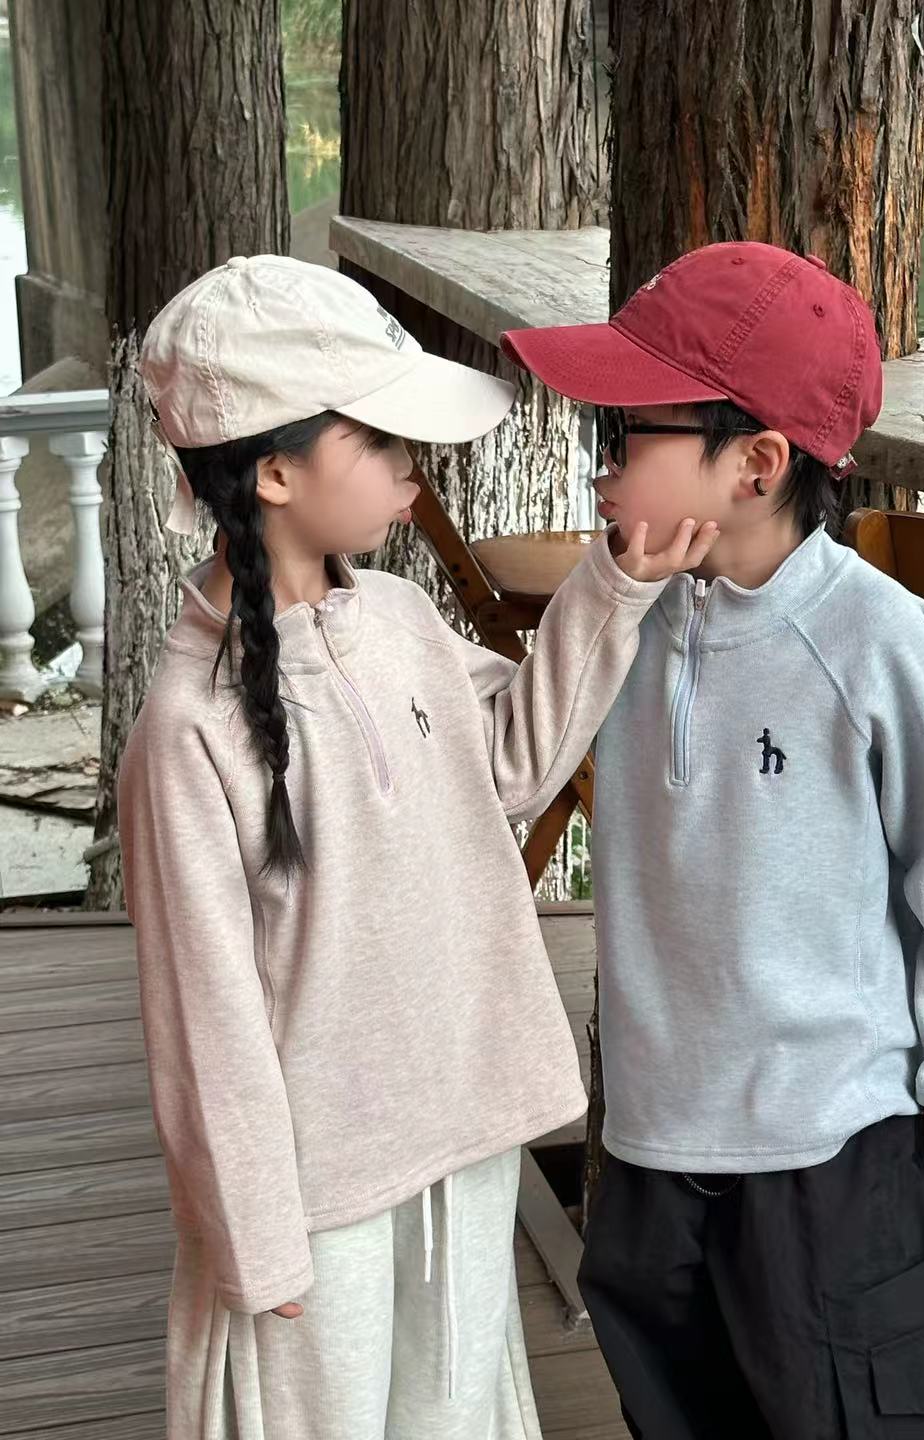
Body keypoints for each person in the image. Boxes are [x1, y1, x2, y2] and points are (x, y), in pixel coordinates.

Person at [118, 253, 717, 1440]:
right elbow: (203, 1014)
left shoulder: (396, 618)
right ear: (274, 472)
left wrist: (612, 587)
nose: (413, 463)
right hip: (318, 1187)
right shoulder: (185, 729)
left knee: (454, 1410)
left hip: (462, 1122)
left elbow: (508, 766)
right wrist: (253, 1233)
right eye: (381, 437)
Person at [501, 240, 924, 1440]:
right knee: (674, 1387)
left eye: (626, 434)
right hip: (654, 1115)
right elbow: (513, 759)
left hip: (828, 1124)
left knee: (858, 1403)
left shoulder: (872, 633)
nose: (600, 465)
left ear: (755, 463)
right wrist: (606, 593)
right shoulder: (627, 614)